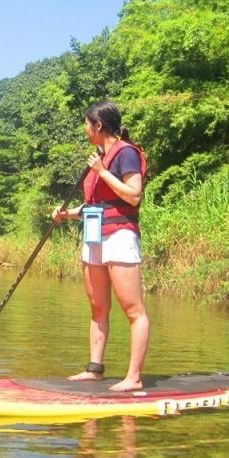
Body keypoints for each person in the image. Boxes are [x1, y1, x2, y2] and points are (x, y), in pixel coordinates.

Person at [52, 101, 150, 392]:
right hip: (95, 236)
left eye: (86, 124)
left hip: (120, 235)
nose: (84, 130)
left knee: (133, 310)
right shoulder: (99, 156)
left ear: (98, 126)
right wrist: (66, 213)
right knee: (97, 307)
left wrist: (103, 171)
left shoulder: (126, 153)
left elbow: (134, 196)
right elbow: (96, 205)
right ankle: (94, 369)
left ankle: (134, 377)